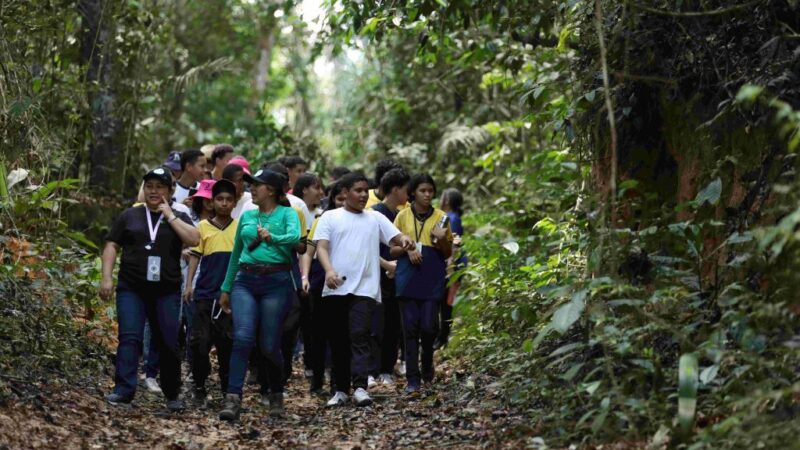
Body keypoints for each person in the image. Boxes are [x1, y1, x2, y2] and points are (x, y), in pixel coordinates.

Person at [100, 167, 200, 410]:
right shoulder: (130, 215)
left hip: (166, 291)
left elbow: (195, 240)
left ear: (170, 190)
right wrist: (106, 278)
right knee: (129, 337)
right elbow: (112, 244)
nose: (154, 191)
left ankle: (172, 393)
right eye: (150, 186)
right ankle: (123, 390)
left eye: (160, 187)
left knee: (167, 341)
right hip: (131, 288)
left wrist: (170, 215)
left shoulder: (179, 215)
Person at [314, 173, 415, 407]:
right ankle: (339, 390)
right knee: (339, 339)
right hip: (336, 288)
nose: (362, 195)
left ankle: (360, 387)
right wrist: (329, 271)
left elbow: (395, 238)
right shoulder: (330, 217)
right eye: (357, 190)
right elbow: (321, 247)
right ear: (345, 192)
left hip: (365, 289)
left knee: (359, 336)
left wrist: (405, 240)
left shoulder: (375, 218)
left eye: (364, 191)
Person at [217, 169, 300, 421]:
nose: (251, 188)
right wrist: (226, 287)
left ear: (272, 190)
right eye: (250, 184)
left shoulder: (288, 214)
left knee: (269, 344)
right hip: (245, 281)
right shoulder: (247, 215)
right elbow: (236, 253)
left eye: (257, 185)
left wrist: (272, 237)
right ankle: (232, 399)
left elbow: (295, 238)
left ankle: (276, 394)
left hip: (276, 283)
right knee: (242, 337)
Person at [391, 174, 453, 396]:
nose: (427, 195)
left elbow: (448, 253)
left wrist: (442, 239)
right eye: (422, 191)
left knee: (429, 327)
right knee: (410, 330)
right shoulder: (402, 217)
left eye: (430, 191)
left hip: (432, 276)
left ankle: (427, 367)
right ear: (413, 193)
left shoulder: (442, 217)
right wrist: (408, 247)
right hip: (408, 277)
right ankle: (413, 380)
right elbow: (392, 249)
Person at [183, 179, 237, 409]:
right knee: (199, 342)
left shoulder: (240, 227)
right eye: (219, 199)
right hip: (205, 292)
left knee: (227, 343)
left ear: (234, 203)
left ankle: (228, 390)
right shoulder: (203, 227)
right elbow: (195, 256)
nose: (224, 204)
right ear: (212, 202)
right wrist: (188, 285)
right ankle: (199, 386)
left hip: (230, 294)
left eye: (228, 200)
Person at [301, 181, 347, 396]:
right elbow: (309, 252)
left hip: (347, 283)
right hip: (320, 282)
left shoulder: (361, 220)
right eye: (339, 199)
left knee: (341, 334)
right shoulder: (322, 220)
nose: (343, 204)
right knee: (318, 332)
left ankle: (338, 382)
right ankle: (318, 380)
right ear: (332, 200)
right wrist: (305, 276)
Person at [370, 168, 410, 388]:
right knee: (377, 324)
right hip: (377, 277)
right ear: (395, 189)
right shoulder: (375, 213)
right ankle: (371, 370)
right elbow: (368, 248)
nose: (409, 193)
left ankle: (387, 369)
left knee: (394, 325)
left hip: (397, 278)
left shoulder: (402, 215)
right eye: (406, 189)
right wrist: (386, 265)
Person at [436, 188, 466, 348]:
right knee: (443, 302)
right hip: (448, 265)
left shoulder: (451, 218)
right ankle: (440, 338)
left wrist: (450, 265)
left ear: (446, 201)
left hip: (451, 267)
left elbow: (454, 243)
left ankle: (442, 339)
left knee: (446, 303)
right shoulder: (446, 217)